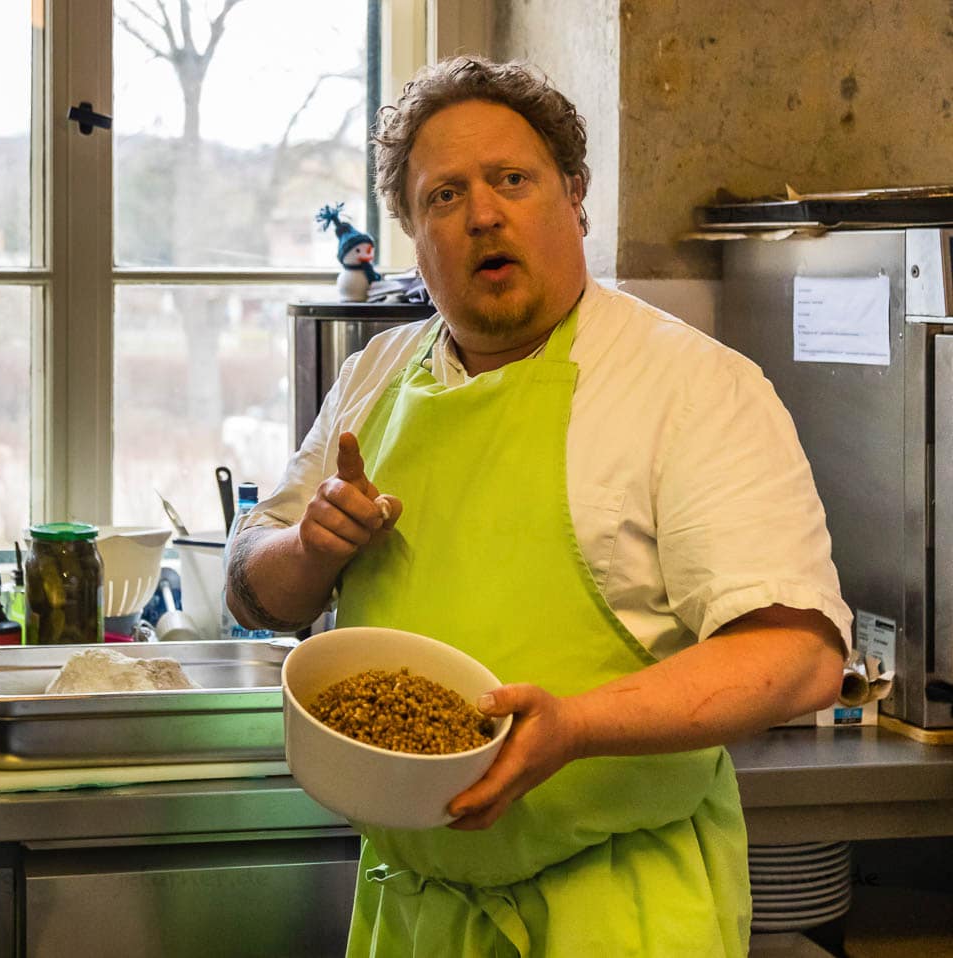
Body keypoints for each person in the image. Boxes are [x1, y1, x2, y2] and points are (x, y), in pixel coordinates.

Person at [227, 55, 849, 957]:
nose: (482, 213)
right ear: (413, 235)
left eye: (511, 180)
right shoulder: (374, 376)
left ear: (574, 195)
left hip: (619, 911)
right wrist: (310, 549)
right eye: (444, 196)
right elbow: (250, 590)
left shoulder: (689, 386)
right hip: (414, 914)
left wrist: (576, 728)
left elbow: (799, 656)